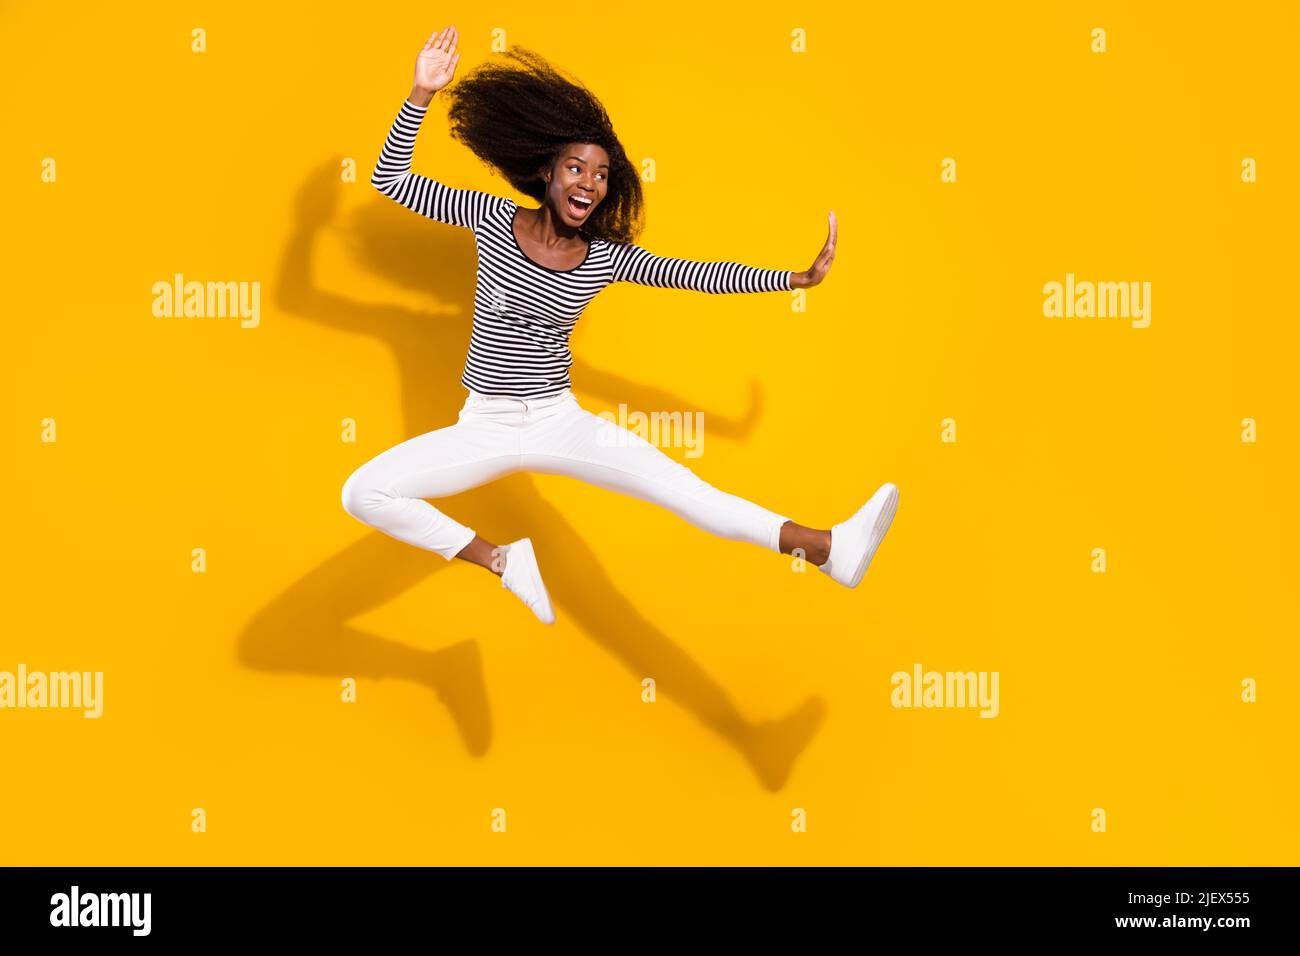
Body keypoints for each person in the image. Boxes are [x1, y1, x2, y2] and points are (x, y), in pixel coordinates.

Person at [341, 25, 898, 624]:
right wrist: (421, 91)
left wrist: (792, 279)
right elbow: (390, 182)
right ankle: (501, 561)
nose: (589, 183)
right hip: (486, 426)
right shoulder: (491, 216)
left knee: (688, 495)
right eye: (577, 169)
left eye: (601, 175)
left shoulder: (601, 257)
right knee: (363, 493)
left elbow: (695, 274)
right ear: (548, 174)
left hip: (561, 422)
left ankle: (827, 549)